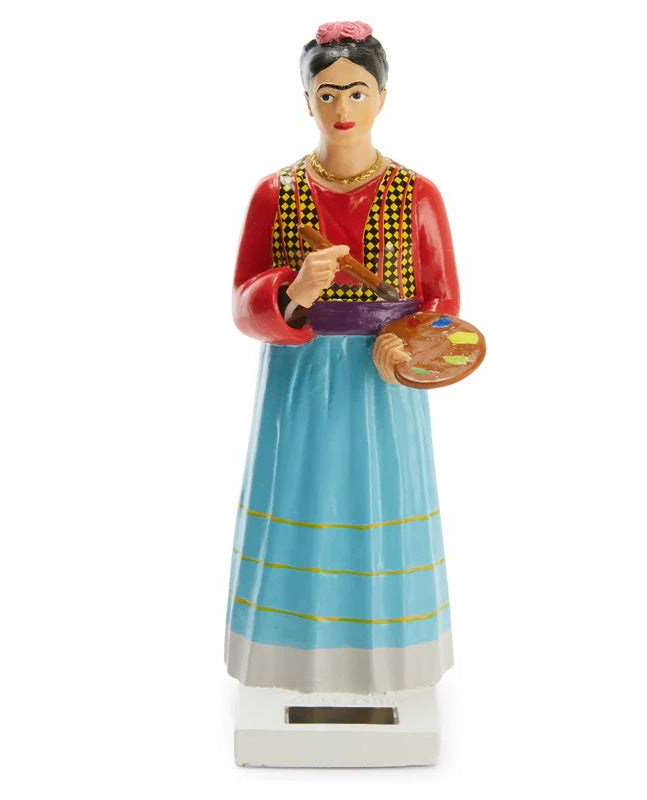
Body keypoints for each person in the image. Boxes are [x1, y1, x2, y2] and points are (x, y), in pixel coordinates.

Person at [225, 21, 460, 694]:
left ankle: (391, 654)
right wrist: (294, 293)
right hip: (300, 380)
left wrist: (407, 344)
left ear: (382, 96)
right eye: (326, 94)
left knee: (382, 504)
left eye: (356, 92)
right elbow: (242, 302)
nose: (342, 108)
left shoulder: (417, 195)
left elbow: (444, 304)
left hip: (383, 387)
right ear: (306, 101)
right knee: (300, 496)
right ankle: (289, 655)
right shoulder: (276, 193)